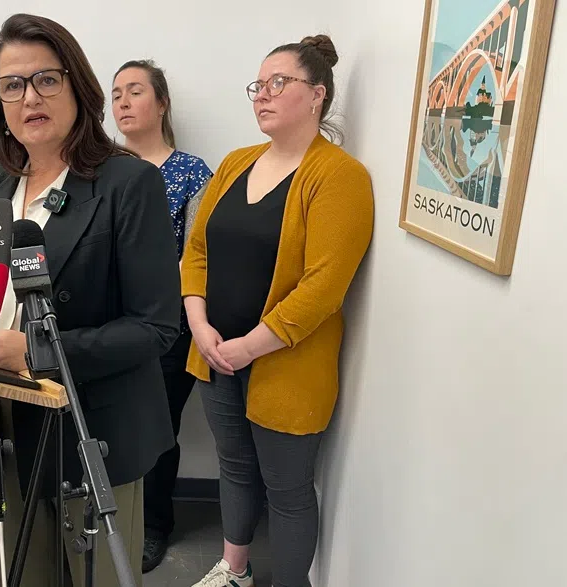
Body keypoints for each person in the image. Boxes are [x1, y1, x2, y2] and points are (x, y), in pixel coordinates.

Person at [0, 13, 180, 586]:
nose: (29, 97)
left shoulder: (126, 184)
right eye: (12, 85)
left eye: (46, 79)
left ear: (77, 87)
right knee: (26, 575)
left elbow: (156, 327)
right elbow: (1, 290)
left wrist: (36, 354)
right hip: (4, 420)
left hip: (91, 429)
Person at [180, 36, 374, 587]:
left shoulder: (339, 176)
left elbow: (323, 288)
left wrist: (249, 346)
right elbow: (197, 250)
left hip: (286, 365)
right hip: (214, 354)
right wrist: (200, 327)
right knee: (235, 468)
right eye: (257, 86)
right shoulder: (237, 164)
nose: (261, 96)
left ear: (317, 94)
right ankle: (234, 569)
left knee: (288, 490)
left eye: (277, 84)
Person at [111, 59, 212, 573]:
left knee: (157, 423)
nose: (123, 102)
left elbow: (197, 252)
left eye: (135, 91)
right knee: (108, 418)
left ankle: (152, 525)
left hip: (167, 325)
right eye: (116, 94)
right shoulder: (101, 167)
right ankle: (104, 518)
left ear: (162, 103)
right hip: (105, 321)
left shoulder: (191, 173)